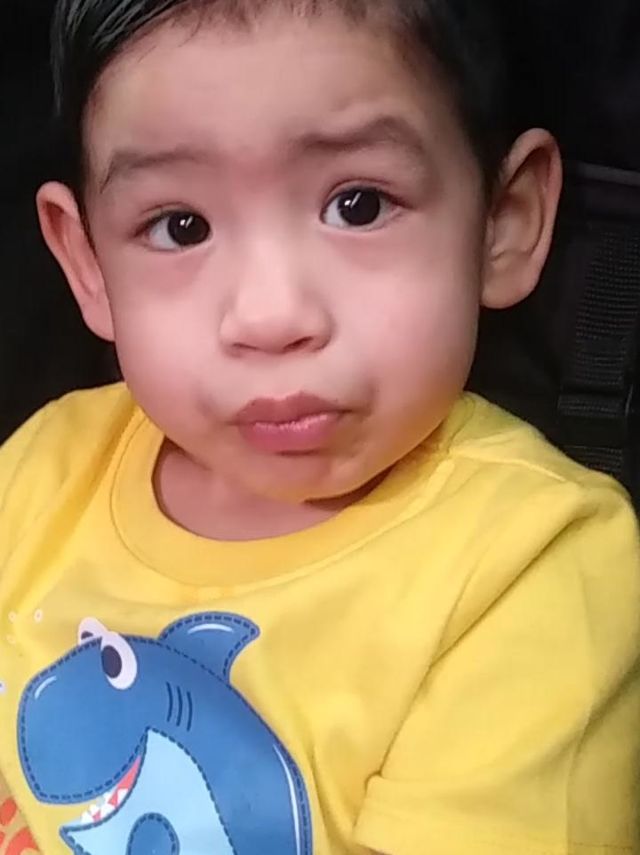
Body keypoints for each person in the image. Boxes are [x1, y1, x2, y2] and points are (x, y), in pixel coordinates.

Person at [0, 1, 638, 853]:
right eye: (181, 227)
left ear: (505, 221)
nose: (271, 317)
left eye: (359, 205)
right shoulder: (44, 467)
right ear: (88, 265)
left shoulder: (536, 561)